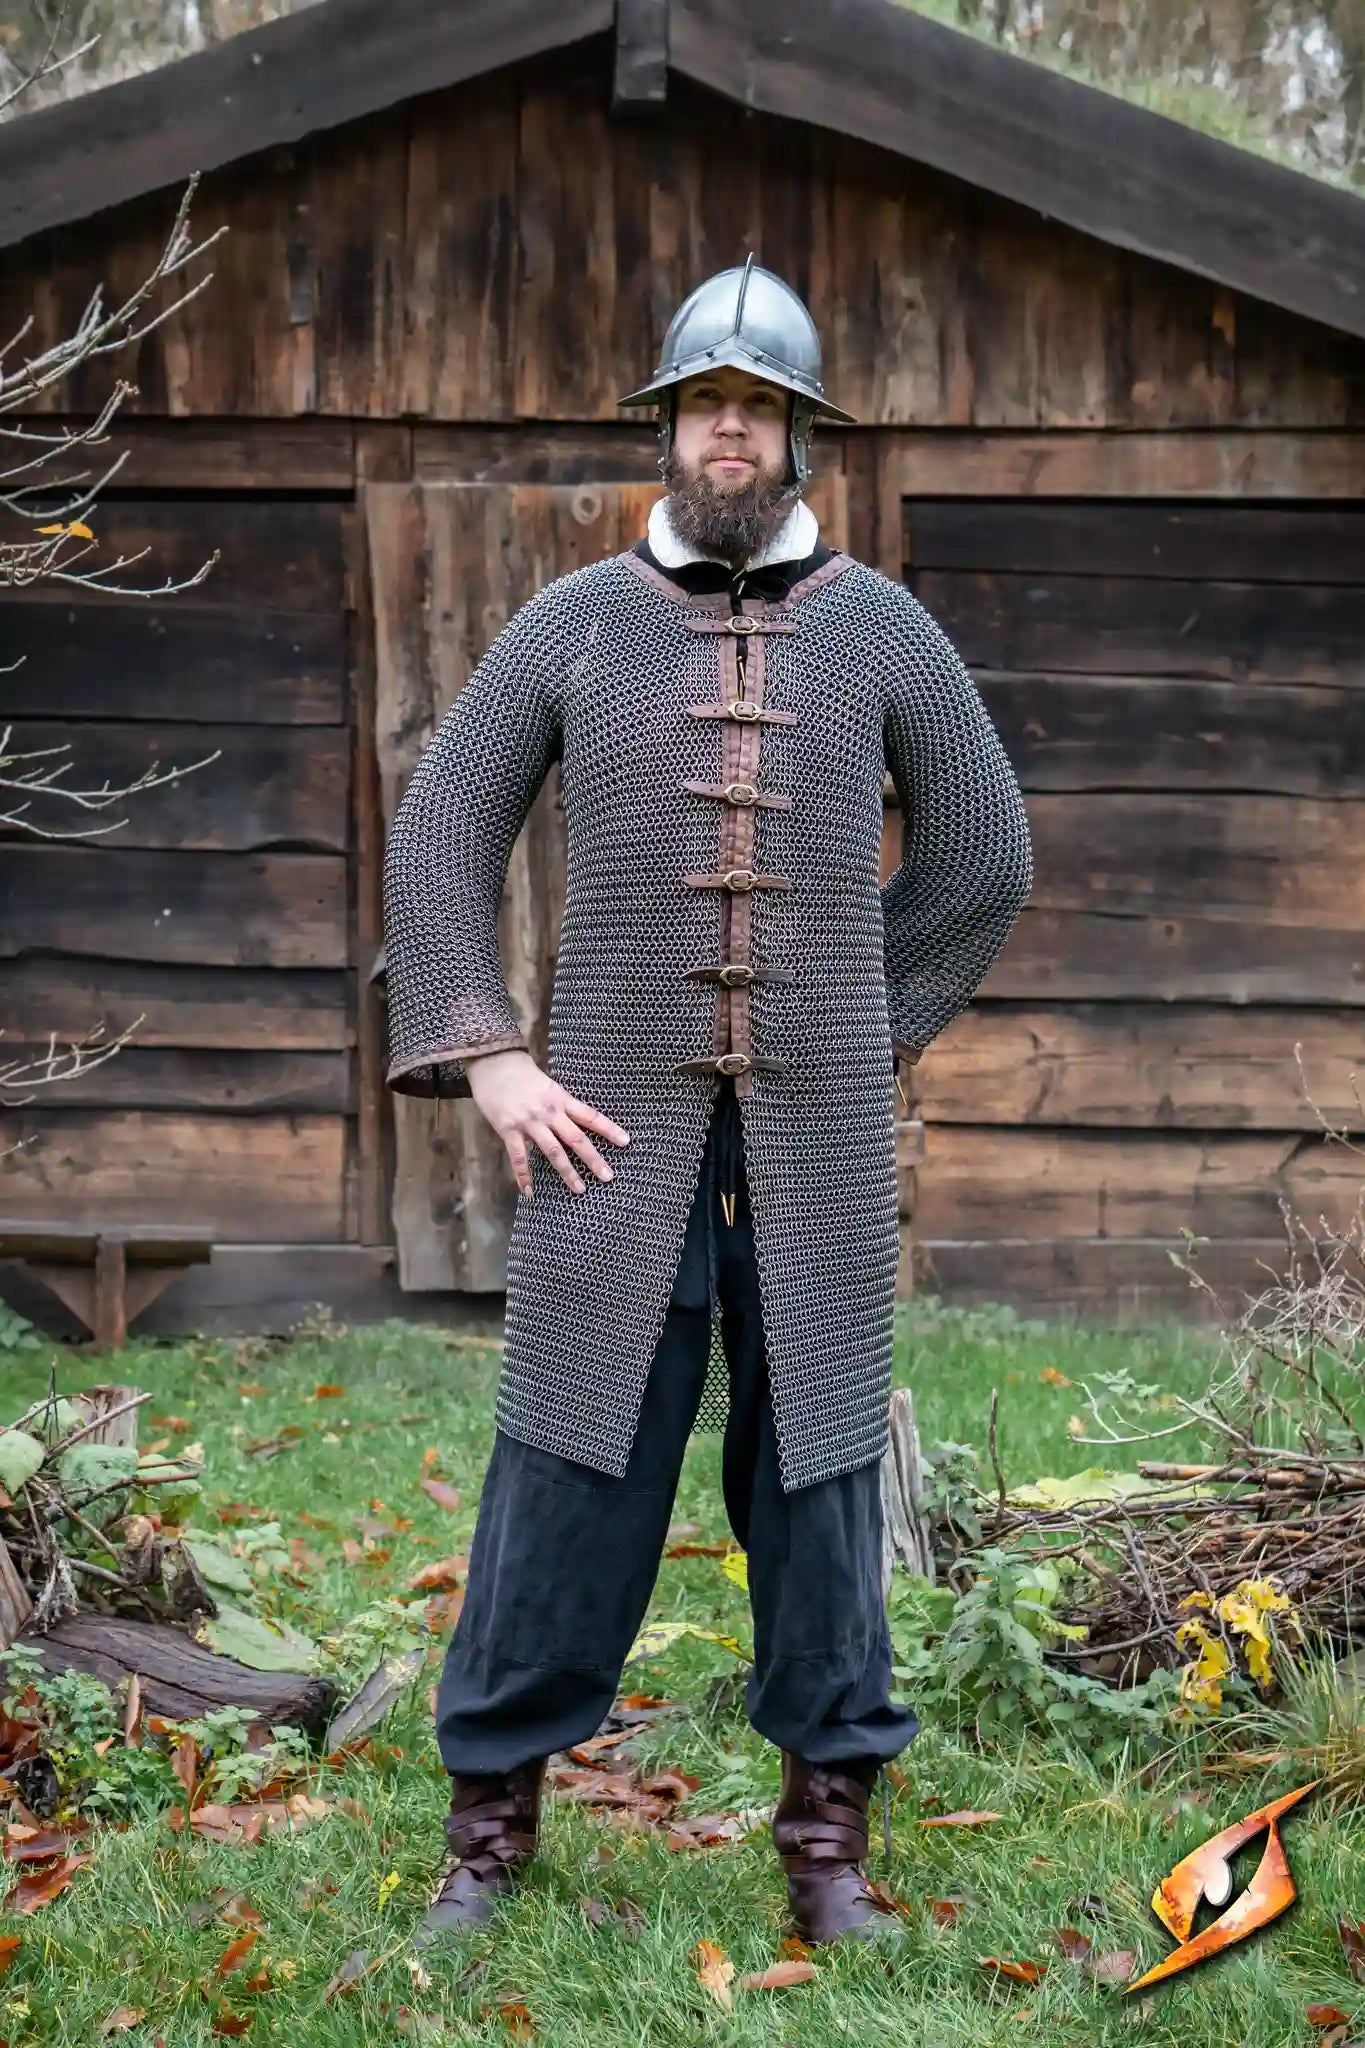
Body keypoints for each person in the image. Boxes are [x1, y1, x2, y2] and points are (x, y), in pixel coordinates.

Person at [381, 257, 1033, 1946]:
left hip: (810, 1149)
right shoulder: (575, 623)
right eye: (700, 404)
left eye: (756, 407)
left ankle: (826, 1849)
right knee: (566, 1468)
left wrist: (851, 1022)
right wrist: (494, 1052)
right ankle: (490, 1834)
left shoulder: (882, 627)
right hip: (611, 1132)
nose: (726, 430)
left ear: (799, 434)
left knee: (815, 1478)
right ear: (667, 428)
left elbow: (981, 860)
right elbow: (441, 827)